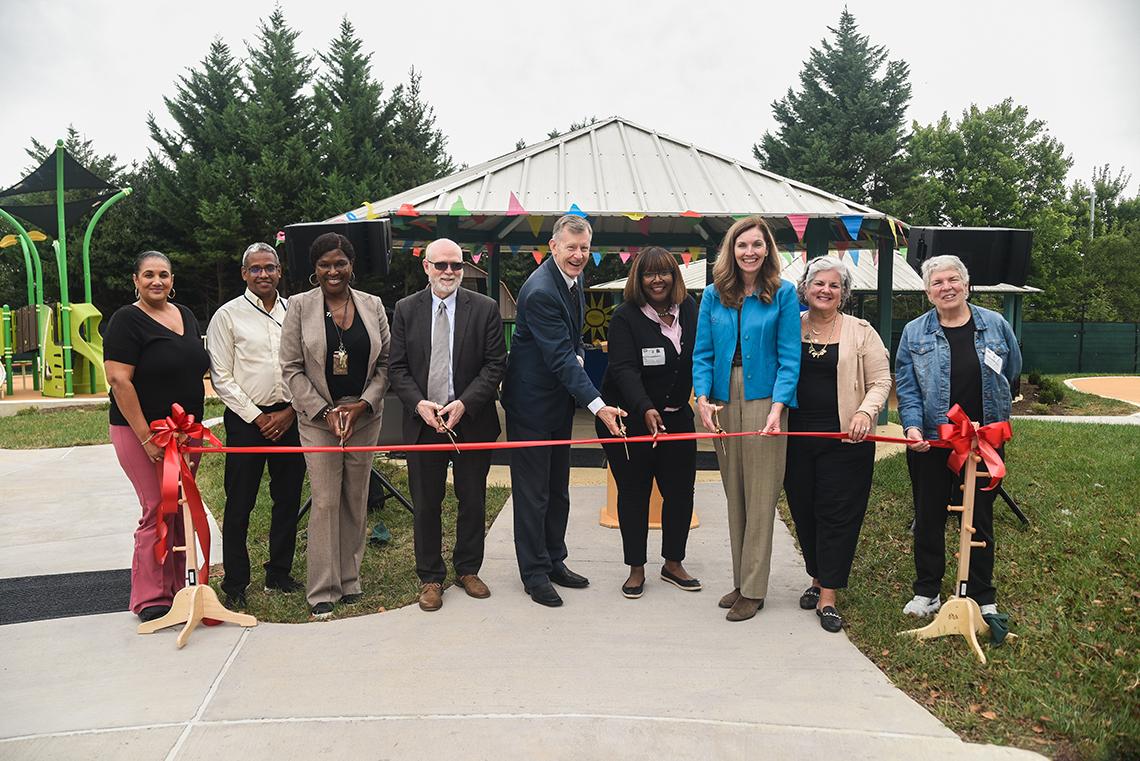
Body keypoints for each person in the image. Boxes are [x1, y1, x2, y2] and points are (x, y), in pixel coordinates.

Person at [502, 214, 626, 607]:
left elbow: (572, 347)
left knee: (558, 488)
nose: (578, 255)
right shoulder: (540, 291)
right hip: (531, 404)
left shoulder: (574, 281)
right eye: (570, 247)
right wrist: (600, 406)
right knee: (533, 492)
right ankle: (534, 573)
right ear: (553, 247)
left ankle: (555, 559)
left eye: (584, 248)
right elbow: (561, 358)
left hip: (557, 402)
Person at [895, 254, 1021, 621]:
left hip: (983, 440)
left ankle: (982, 594)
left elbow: (1012, 369)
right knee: (928, 515)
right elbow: (908, 386)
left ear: (967, 285)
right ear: (927, 291)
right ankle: (927, 591)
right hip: (933, 440)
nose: (946, 287)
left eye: (953, 280)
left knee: (981, 518)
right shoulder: (914, 332)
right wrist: (913, 427)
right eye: (937, 282)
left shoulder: (996, 325)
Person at [388, 238, 507, 612]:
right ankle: (430, 577)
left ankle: (468, 569)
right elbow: (397, 368)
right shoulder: (406, 309)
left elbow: (495, 364)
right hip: (424, 423)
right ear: (426, 267)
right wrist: (419, 403)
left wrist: (465, 403)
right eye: (441, 265)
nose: (449, 272)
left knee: (472, 499)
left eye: (455, 265)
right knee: (426, 503)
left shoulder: (485, 308)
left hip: (471, 420)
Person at [693, 216, 800, 622]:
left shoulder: (784, 294)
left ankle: (754, 589)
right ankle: (741, 580)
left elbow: (790, 358)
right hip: (722, 400)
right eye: (742, 245)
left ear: (767, 249)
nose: (750, 252)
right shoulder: (712, 296)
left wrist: (778, 407)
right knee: (734, 493)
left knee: (760, 497)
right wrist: (702, 398)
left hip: (764, 401)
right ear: (731, 251)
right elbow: (702, 353)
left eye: (757, 245)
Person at [280, 232, 390, 619]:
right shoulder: (299, 306)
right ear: (315, 269)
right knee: (326, 499)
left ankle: (349, 579)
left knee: (355, 498)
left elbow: (385, 364)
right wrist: (324, 411)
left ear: (351, 266)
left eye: (340, 263)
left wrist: (362, 405)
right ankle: (322, 589)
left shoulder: (372, 305)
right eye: (325, 264)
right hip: (318, 418)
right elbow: (291, 368)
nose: (333, 270)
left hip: (362, 416)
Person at [783, 256, 892, 633]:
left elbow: (881, 381)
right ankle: (816, 576)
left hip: (846, 440)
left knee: (836, 514)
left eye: (833, 285)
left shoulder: (862, 331)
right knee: (804, 510)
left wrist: (865, 412)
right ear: (805, 289)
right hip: (795, 438)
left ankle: (828, 595)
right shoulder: (790, 327)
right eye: (818, 284)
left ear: (843, 293)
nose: (825, 290)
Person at [104, 251, 210, 622]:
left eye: (163, 274)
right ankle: (151, 596)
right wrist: (146, 435)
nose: (156, 281)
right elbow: (119, 379)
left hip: (186, 433)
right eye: (148, 275)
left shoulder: (185, 314)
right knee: (156, 508)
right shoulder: (125, 321)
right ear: (135, 280)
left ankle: (181, 587)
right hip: (143, 434)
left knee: (181, 509)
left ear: (172, 278)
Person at [596, 246, 699, 599]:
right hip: (630, 420)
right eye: (649, 274)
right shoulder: (625, 316)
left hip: (676, 419)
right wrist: (644, 408)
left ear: (675, 276)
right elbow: (623, 368)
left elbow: (698, 357)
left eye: (664, 272)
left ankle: (673, 562)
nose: (657, 280)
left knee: (680, 492)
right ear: (638, 279)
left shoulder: (688, 308)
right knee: (635, 494)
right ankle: (636, 568)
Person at [207, 242, 305, 610]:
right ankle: (235, 582)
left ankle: (279, 572)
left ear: (280, 271)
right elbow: (221, 376)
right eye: (255, 269)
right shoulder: (227, 316)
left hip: (291, 417)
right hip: (248, 421)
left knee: (288, 498)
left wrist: (290, 411)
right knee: (240, 501)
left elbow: (308, 364)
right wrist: (258, 417)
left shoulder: (294, 311)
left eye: (270, 268)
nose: (263, 274)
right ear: (244, 274)